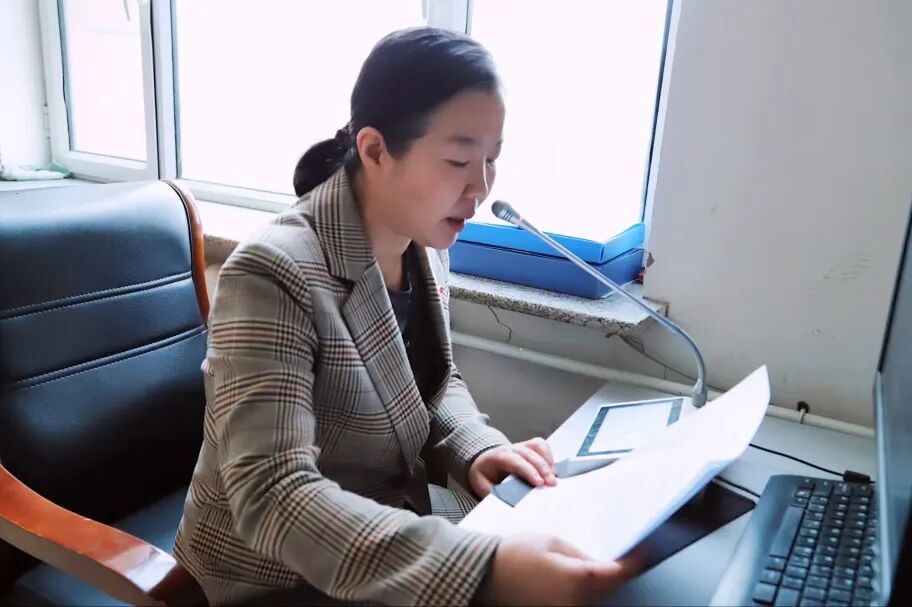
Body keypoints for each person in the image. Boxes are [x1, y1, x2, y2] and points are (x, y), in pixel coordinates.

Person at [174, 27, 641, 606]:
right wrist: (484, 569)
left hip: (389, 516)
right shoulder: (272, 271)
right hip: (276, 573)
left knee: (574, 546)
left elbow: (429, 383)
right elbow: (272, 498)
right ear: (375, 150)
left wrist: (476, 445)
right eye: (458, 160)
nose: (480, 187)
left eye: (492, 159)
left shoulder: (426, 240)